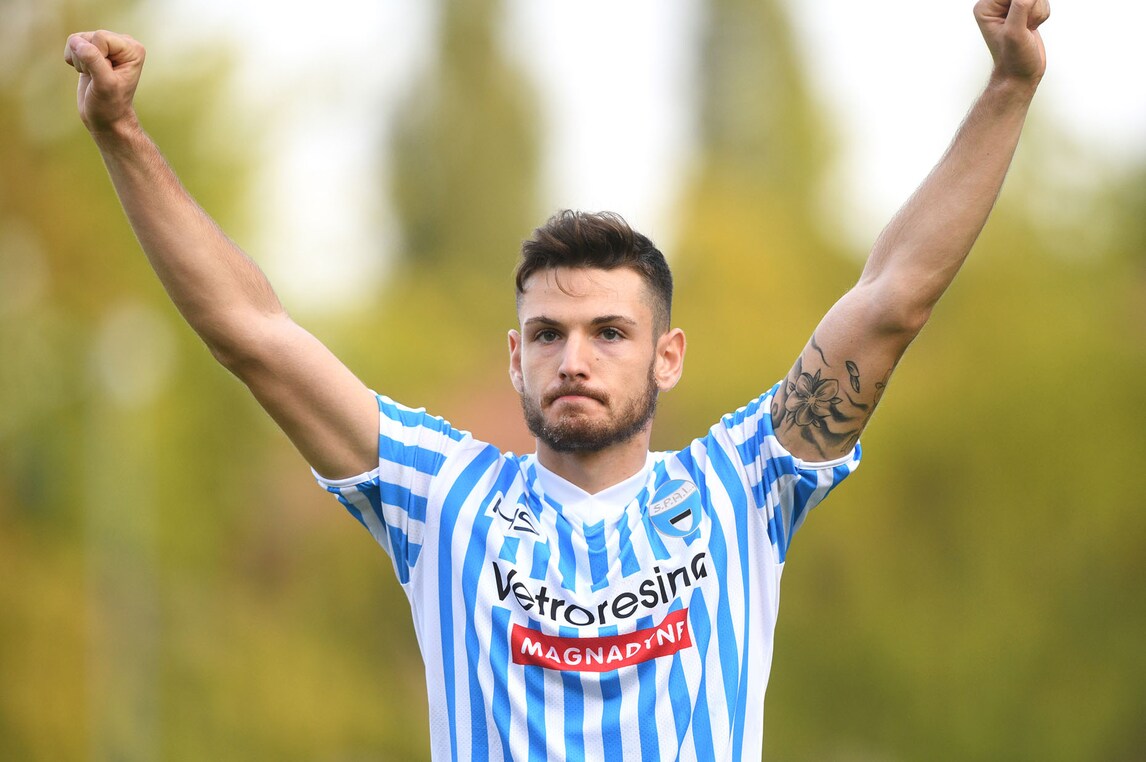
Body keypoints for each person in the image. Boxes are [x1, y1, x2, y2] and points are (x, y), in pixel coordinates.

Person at [65, 0, 1050, 758]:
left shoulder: (741, 486)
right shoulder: (443, 499)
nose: (574, 358)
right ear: (516, 357)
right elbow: (253, 334)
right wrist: (121, 133)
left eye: (610, 332)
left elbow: (891, 299)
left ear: (668, 356)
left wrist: (1009, 86)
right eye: (548, 334)